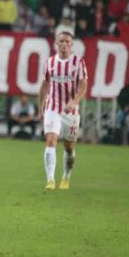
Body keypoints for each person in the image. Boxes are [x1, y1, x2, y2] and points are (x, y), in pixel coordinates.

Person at [37, 32, 88, 191]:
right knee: (51, 140)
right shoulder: (50, 62)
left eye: (67, 41)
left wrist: (74, 102)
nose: (64, 44)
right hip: (53, 108)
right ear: (56, 44)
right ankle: (50, 179)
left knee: (69, 148)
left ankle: (66, 177)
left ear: (71, 44)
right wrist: (41, 106)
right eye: (61, 41)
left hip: (71, 113)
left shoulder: (78, 63)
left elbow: (83, 86)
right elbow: (45, 85)